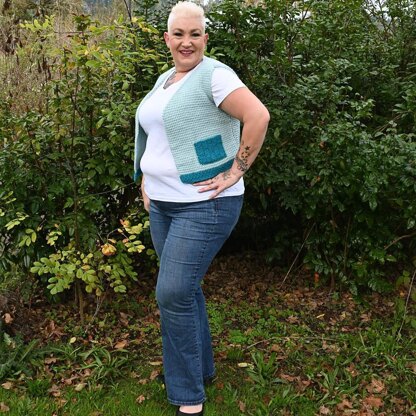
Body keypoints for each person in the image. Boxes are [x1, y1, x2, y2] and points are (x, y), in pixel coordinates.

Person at [133, 2, 269, 414]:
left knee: (172, 292)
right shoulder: (164, 80)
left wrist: (236, 169)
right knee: (185, 291)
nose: (186, 42)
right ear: (167, 39)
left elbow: (257, 116)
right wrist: (147, 178)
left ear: (205, 38)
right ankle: (201, 369)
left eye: (195, 34)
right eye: (179, 34)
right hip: (164, 205)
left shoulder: (215, 75)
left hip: (205, 205)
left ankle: (188, 396)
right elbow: (158, 137)